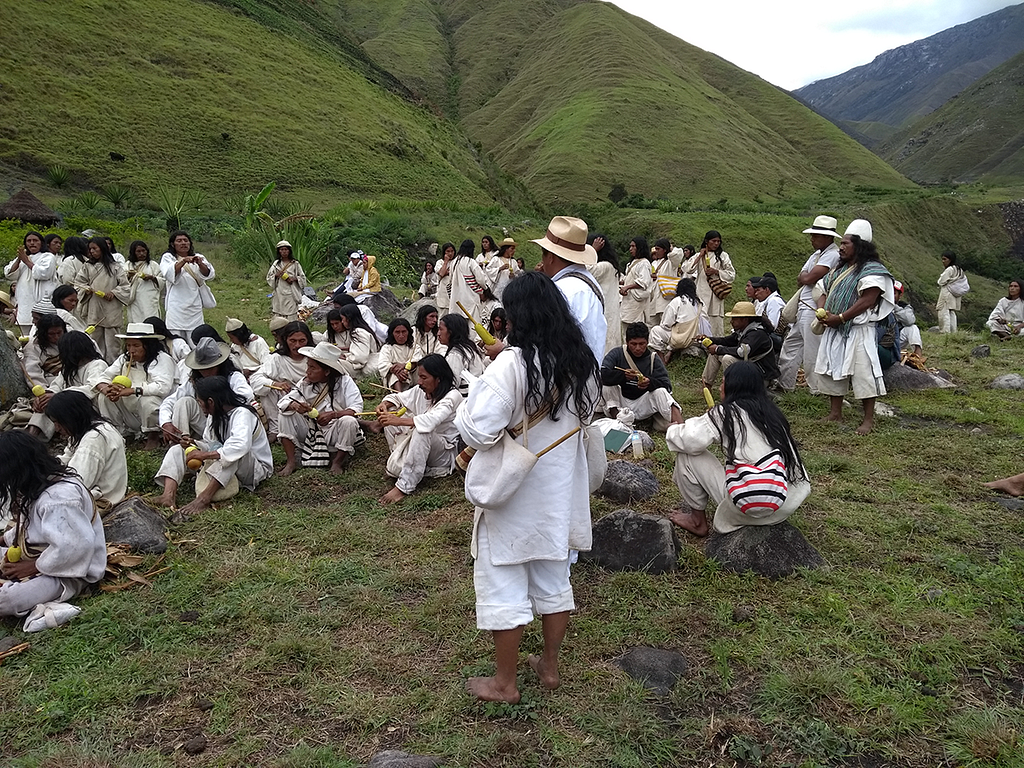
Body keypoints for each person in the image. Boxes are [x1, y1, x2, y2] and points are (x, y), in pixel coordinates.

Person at [455, 271, 600, 704]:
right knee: (554, 578)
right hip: (560, 491)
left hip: (515, 491)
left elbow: (478, 432)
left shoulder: (512, 364)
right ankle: (549, 667)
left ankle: (504, 684)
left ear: (518, 316)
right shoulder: (583, 363)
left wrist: (471, 398)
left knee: (505, 581)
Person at [666, 362, 810, 537]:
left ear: (733, 387)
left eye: (723, 382)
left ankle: (697, 521)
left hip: (745, 506)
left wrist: (673, 428)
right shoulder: (774, 414)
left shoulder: (725, 413)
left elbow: (689, 439)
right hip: (782, 504)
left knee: (686, 454)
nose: (720, 388)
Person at [0, 431, 107, 619]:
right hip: (37, 556)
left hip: (68, 572)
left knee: (7, 600)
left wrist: (32, 567)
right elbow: (32, 529)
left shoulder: (60, 498)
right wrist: (5, 539)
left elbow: (75, 547)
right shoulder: (37, 485)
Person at [814, 219, 895, 435]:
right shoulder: (838, 269)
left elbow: (868, 300)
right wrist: (822, 312)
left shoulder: (873, 271)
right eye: (841, 244)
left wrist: (840, 318)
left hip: (859, 330)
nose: (840, 247)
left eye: (845, 244)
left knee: (864, 372)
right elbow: (822, 290)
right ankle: (835, 412)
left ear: (859, 246)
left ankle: (868, 419)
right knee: (832, 369)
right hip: (834, 327)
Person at [154, 376, 273, 520]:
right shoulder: (214, 415)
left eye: (200, 402)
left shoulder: (242, 414)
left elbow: (239, 446)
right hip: (228, 463)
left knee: (233, 455)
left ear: (210, 402)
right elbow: (212, 444)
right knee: (177, 449)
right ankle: (168, 495)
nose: (199, 406)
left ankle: (204, 498)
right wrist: (193, 444)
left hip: (254, 469)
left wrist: (203, 455)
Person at [376, 353, 462, 504]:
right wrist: (385, 405)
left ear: (438, 378)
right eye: (419, 377)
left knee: (422, 431)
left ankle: (404, 486)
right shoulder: (421, 390)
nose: (419, 382)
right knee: (388, 419)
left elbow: (431, 421)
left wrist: (398, 421)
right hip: (422, 446)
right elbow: (399, 398)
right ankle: (400, 464)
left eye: (424, 377)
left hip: (442, 453)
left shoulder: (452, 396)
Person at [277, 342, 364, 476]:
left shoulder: (344, 381)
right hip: (312, 429)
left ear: (327, 371)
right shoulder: (305, 382)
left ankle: (337, 462)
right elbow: (284, 401)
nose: (307, 371)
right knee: (285, 413)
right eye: (308, 366)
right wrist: (295, 406)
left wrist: (333, 415)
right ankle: (291, 462)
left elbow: (356, 409)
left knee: (349, 421)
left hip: (335, 430)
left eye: (312, 368)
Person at [777, 216, 842, 394]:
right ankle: (785, 383)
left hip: (814, 307)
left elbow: (808, 277)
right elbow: (802, 277)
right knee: (791, 345)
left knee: (812, 350)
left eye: (816, 236)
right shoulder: (817, 255)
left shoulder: (832, 255)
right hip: (804, 306)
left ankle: (817, 388)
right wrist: (806, 277)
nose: (812, 239)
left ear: (828, 237)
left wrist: (806, 277)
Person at [532, 216, 606, 362]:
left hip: (566, 379)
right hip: (588, 375)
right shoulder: (587, 282)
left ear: (551, 257)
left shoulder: (563, 291)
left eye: (543, 255)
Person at [97, 323, 176, 448]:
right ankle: (121, 434)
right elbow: (103, 377)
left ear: (148, 346)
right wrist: (109, 390)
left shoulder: (162, 359)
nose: (131, 350)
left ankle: (153, 436)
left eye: (136, 345)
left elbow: (163, 387)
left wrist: (133, 390)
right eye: (128, 345)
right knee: (103, 397)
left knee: (148, 401)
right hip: (132, 414)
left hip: (159, 417)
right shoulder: (125, 358)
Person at [159, 337, 254, 442]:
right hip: (204, 424)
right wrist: (166, 422)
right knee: (183, 402)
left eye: (210, 368)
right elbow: (169, 401)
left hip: (228, 425)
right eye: (202, 369)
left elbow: (246, 395)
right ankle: (181, 441)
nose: (205, 372)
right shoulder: (193, 382)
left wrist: (218, 406)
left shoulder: (233, 377)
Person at [45, 390, 127, 508]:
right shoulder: (96, 427)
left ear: (71, 417)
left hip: (102, 502)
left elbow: (76, 484)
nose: (57, 429)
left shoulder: (93, 440)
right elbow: (66, 460)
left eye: (58, 422)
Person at [600, 322, 682, 430]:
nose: (638, 348)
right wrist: (622, 376)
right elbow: (602, 375)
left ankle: (682, 428)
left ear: (647, 342)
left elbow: (667, 386)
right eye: (633, 344)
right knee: (607, 386)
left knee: (661, 392)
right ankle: (619, 421)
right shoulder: (617, 354)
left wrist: (649, 383)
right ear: (627, 342)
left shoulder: (653, 358)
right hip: (620, 403)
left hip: (642, 403)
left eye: (642, 344)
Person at [250, 321, 315, 442]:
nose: (297, 345)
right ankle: (275, 429)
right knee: (268, 387)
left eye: (302, 341)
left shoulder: (315, 357)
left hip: (312, 398)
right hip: (287, 399)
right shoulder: (277, 359)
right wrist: (275, 384)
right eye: (292, 341)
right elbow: (255, 379)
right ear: (285, 340)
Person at [74, 236, 130, 361]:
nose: (92, 252)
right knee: (95, 337)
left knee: (112, 340)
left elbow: (125, 286)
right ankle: (97, 362)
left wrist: (114, 292)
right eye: (90, 249)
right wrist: (86, 290)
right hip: (94, 305)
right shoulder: (87, 267)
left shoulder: (115, 267)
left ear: (103, 249)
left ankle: (113, 363)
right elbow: (78, 284)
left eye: (95, 248)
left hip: (112, 306)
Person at [699, 302, 778, 387]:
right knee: (715, 354)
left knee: (727, 359)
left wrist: (717, 349)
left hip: (760, 376)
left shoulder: (757, 333)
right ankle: (706, 385)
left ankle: (733, 391)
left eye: (734, 319)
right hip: (750, 368)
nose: (731, 321)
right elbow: (727, 341)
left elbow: (742, 352)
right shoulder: (743, 330)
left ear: (744, 319)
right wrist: (709, 339)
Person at [160, 230, 215, 345]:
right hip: (176, 306)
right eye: (179, 241)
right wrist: (184, 261)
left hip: (194, 304)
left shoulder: (199, 257)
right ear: (172, 244)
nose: (183, 243)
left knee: (196, 339)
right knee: (176, 341)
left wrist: (200, 263)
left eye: (186, 240)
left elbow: (208, 274)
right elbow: (169, 274)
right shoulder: (168, 257)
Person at [681, 230, 736, 336]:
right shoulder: (699, 255)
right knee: (700, 316)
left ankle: (715, 345)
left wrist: (716, 271)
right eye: (713, 241)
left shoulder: (723, 256)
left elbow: (731, 274)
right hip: (701, 291)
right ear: (707, 241)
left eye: (718, 241)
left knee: (715, 319)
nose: (716, 244)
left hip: (715, 292)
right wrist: (699, 256)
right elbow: (688, 269)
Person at [4, 231, 58, 334]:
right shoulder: (23, 257)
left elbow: (44, 273)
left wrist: (26, 261)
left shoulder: (48, 257)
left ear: (41, 243)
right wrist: (19, 259)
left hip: (41, 300)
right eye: (29, 241)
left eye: (35, 240)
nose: (32, 243)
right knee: (25, 335)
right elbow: (9, 274)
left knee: (41, 332)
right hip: (24, 302)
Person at [649, 278, 710, 363]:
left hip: (683, 339)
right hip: (698, 339)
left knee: (656, 331)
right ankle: (671, 351)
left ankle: (662, 361)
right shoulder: (700, 303)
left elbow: (666, 324)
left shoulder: (677, 301)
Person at [447, 239, 491, 339]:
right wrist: (484, 288)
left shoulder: (454, 262)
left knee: (457, 327)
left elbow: (449, 281)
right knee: (473, 327)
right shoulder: (471, 262)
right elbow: (481, 279)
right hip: (471, 298)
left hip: (456, 300)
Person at [586, 233, 621, 354]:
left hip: (605, 312)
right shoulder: (609, 266)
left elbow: (587, 270)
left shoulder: (606, 266)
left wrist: (592, 250)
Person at [328, 304, 380, 379]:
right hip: (360, 364)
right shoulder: (360, 330)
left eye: (343, 319)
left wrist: (346, 357)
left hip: (362, 368)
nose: (342, 322)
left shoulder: (359, 332)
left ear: (348, 319)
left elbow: (359, 358)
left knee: (332, 364)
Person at [439, 313, 486, 395]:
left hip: (467, 400)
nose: (438, 333)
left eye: (441, 329)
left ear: (450, 332)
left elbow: (451, 384)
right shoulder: (469, 347)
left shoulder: (455, 355)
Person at [619, 236, 653, 338]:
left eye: (633, 246)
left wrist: (627, 287)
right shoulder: (632, 263)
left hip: (636, 302)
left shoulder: (644, 263)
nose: (631, 249)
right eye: (630, 246)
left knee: (635, 329)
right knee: (626, 328)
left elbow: (644, 282)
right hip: (629, 300)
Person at [125, 240, 165, 324]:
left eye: (143, 251)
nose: (141, 253)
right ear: (133, 252)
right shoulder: (128, 265)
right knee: (136, 323)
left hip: (149, 299)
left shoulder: (153, 265)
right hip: (134, 300)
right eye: (138, 251)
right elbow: (121, 281)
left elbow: (162, 281)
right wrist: (129, 276)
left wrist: (152, 278)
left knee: (151, 322)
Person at [267, 239, 307, 321]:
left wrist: (294, 279)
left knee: (291, 315)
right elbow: (269, 277)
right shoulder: (276, 264)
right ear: (279, 251)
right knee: (279, 313)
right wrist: (276, 275)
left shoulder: (295, 264)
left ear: (289, 251)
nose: (284, 251)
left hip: (291, 293)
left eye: (286, 249)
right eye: (282, 250)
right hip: (279, 292)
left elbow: (302, 277)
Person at [23, 313, 65, 389]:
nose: (56, 337)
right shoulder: (33, 348)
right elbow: (33, 374)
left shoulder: (69, 340)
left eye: (59, 333)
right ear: (43, 334)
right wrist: (44, 391)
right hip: (52, 384)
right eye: (51, 334)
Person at [377, 317, 416, 391]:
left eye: (404, 332)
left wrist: (403, 366)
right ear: (392, 333)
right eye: (397, 332)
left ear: (409, 332)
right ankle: (399, 395)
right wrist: (396, 370)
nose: (401, 335)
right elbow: (383, 364)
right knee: (395, 376)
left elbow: (417, 360)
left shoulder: (414, 347)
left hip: (411, 375)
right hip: (395, 374)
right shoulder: (387, 348)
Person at [648, 237, 677, 326]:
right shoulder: (653, 263)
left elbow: (678, 253)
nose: (656, 251)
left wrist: (670, 248)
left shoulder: (671, 263)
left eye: (658, 249)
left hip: (665, 300)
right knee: (650, 326)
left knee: (666, 326)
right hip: (652, 300)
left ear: (665, 250)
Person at [936, 250, 966, 334]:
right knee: (951, 312)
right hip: (955, 293)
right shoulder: (959, 270)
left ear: (950, 260)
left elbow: (941, 281)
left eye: (945, 259)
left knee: (943, 311)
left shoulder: (949, 269)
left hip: (947, 293)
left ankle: (945, 332)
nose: (943, 261)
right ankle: (953, 332)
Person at [892, 281, 923, 354]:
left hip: (897, 338)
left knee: (913, 328)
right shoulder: (879, 304)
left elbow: (910, 320)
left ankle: (918, 357)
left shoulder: (905, 306)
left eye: (894, 293)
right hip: (881, 340)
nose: (891, 295)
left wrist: (894, 307)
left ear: (900, 295)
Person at [434, 242, 455, 314]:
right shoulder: (440, 262)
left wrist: (447, 272)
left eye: (452, 251)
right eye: (448, 251)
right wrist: (445, 262)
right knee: (443, 313)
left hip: (454, 290)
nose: (450, 253)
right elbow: (442, 273)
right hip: (443, 291)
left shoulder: (455, 262)